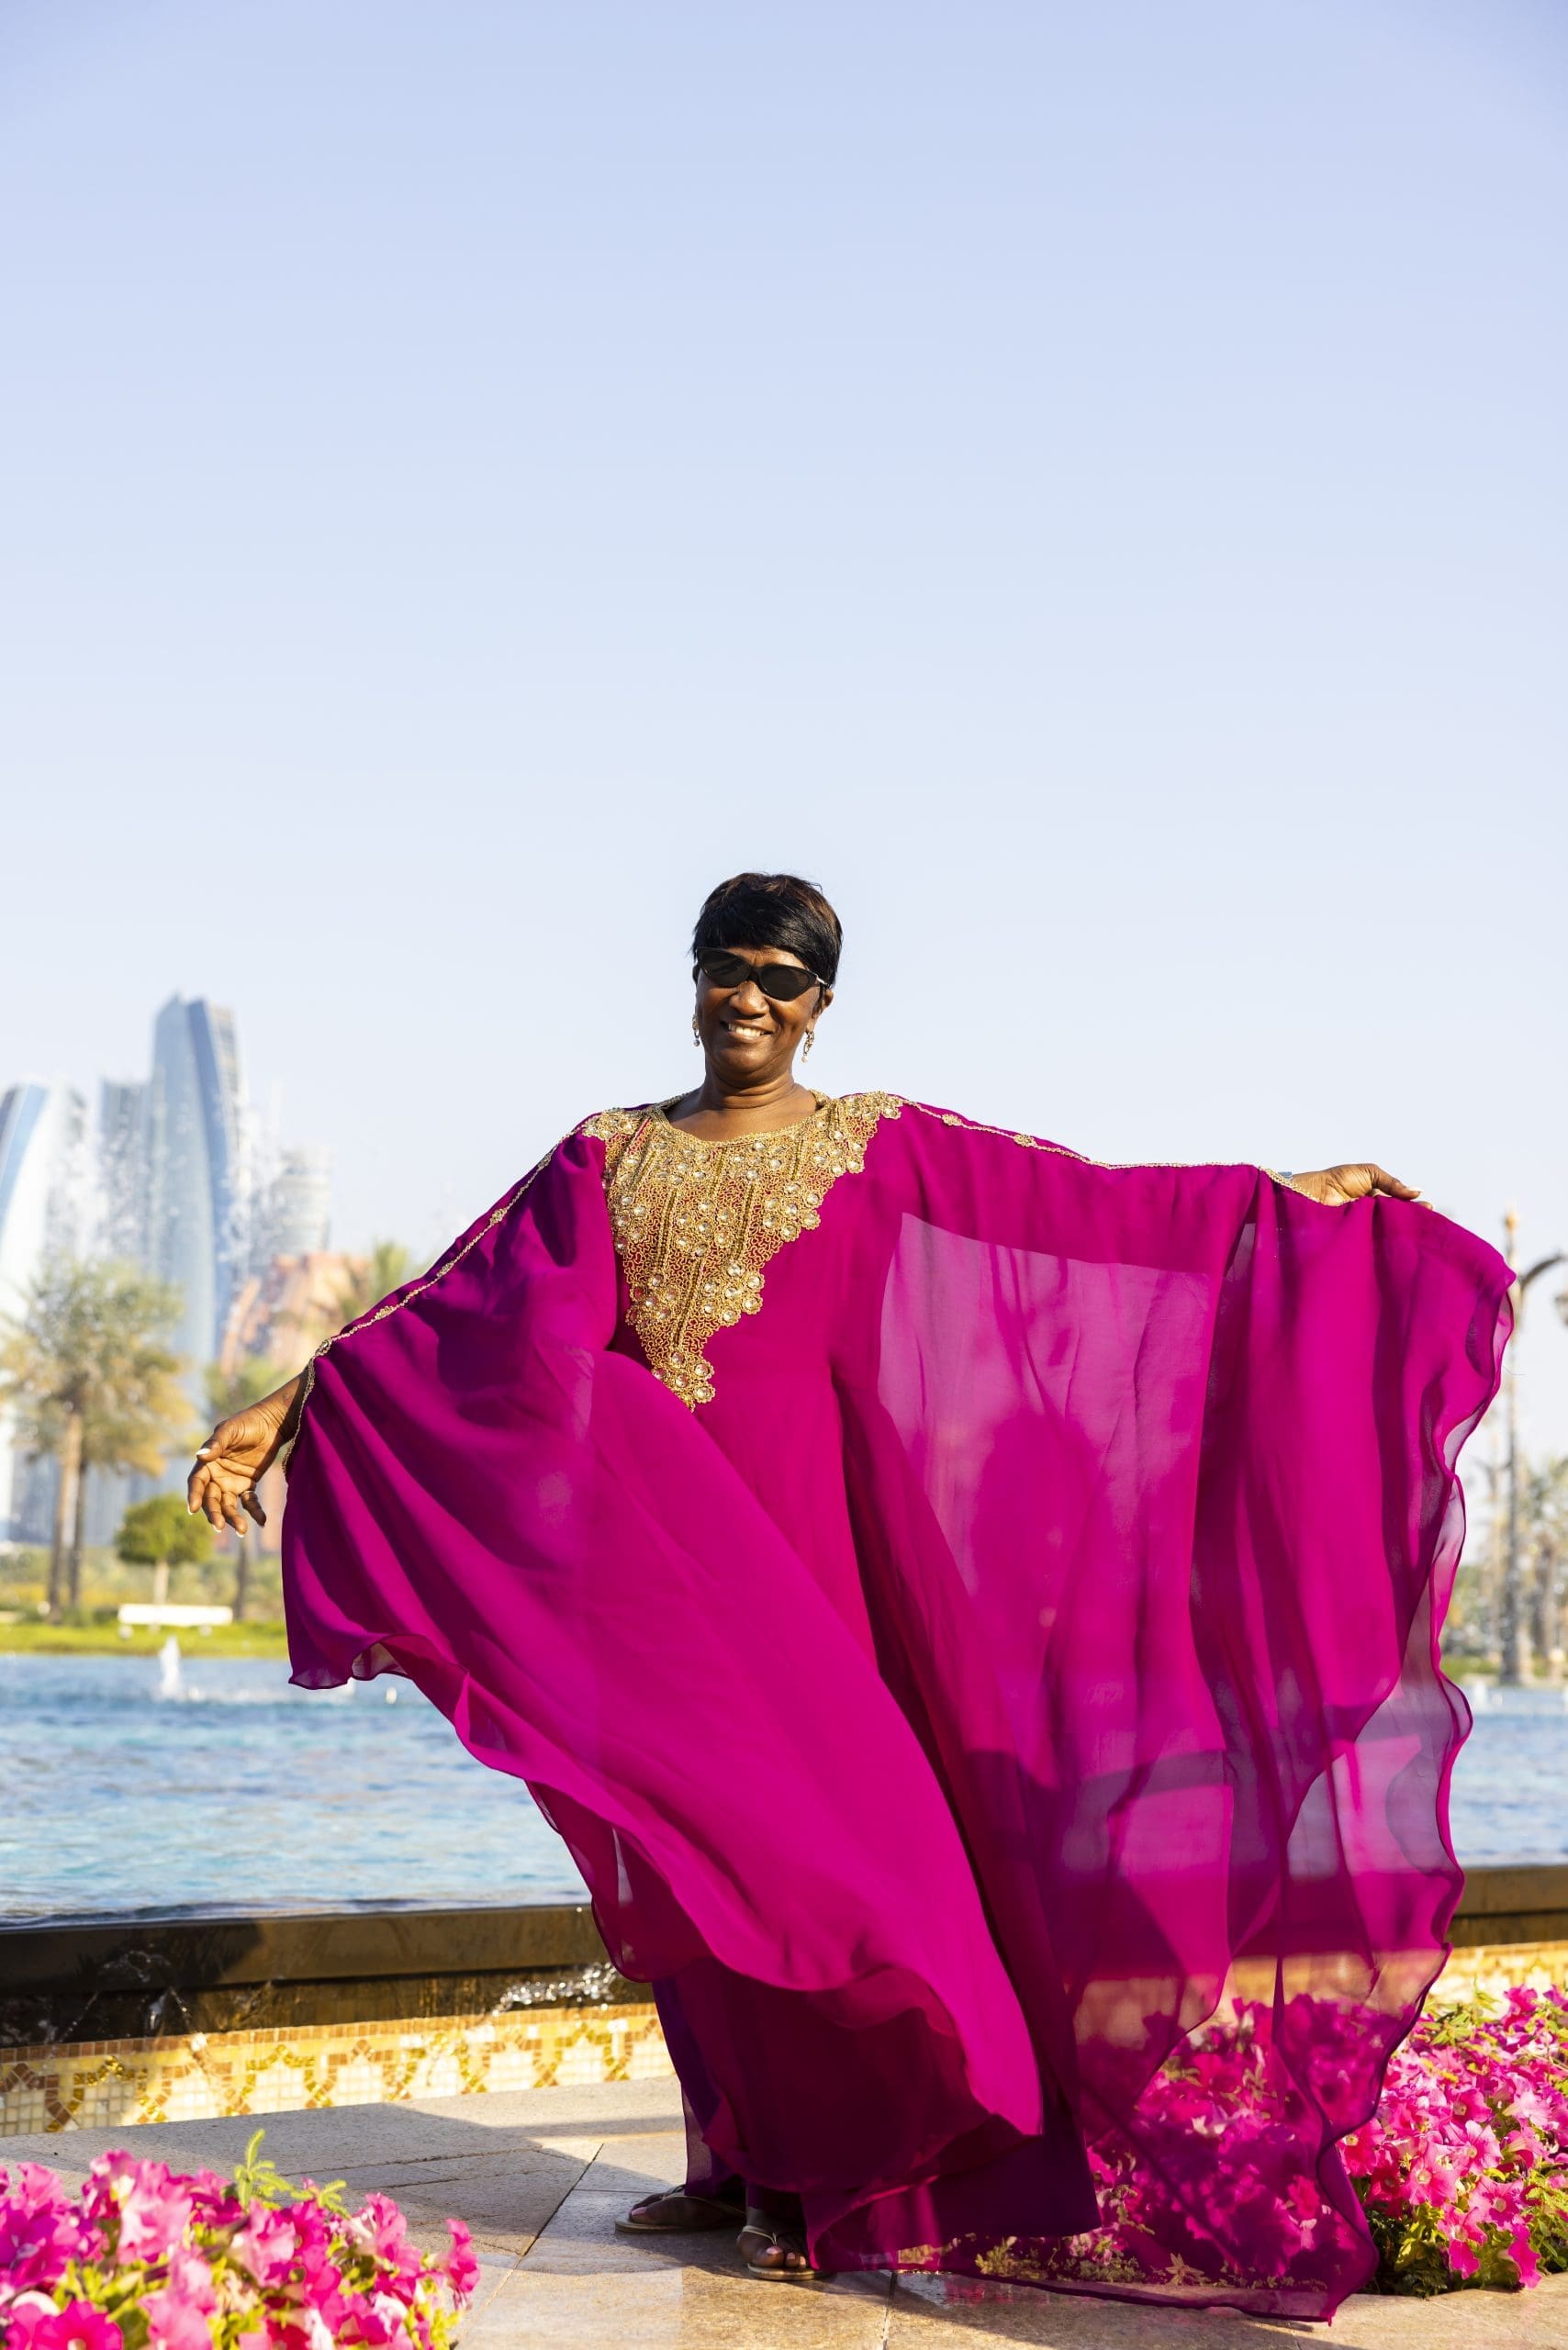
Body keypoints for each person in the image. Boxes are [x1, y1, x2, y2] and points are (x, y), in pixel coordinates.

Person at [189, 871, 1511, 2315]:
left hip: (821, 1561)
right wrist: (289, 1402)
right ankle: (732, 2153)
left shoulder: (879, 1145)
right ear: (689, 980)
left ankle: (830, 2169)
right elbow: (458, 1305)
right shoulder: (607, 1152)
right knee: (689, 1853)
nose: (744, 997)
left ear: (820, 1005)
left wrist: (1280, 1197)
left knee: (817, 1856)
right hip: (654, 1568)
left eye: (776, 976)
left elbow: (1094, 1206)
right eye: (722, 969)